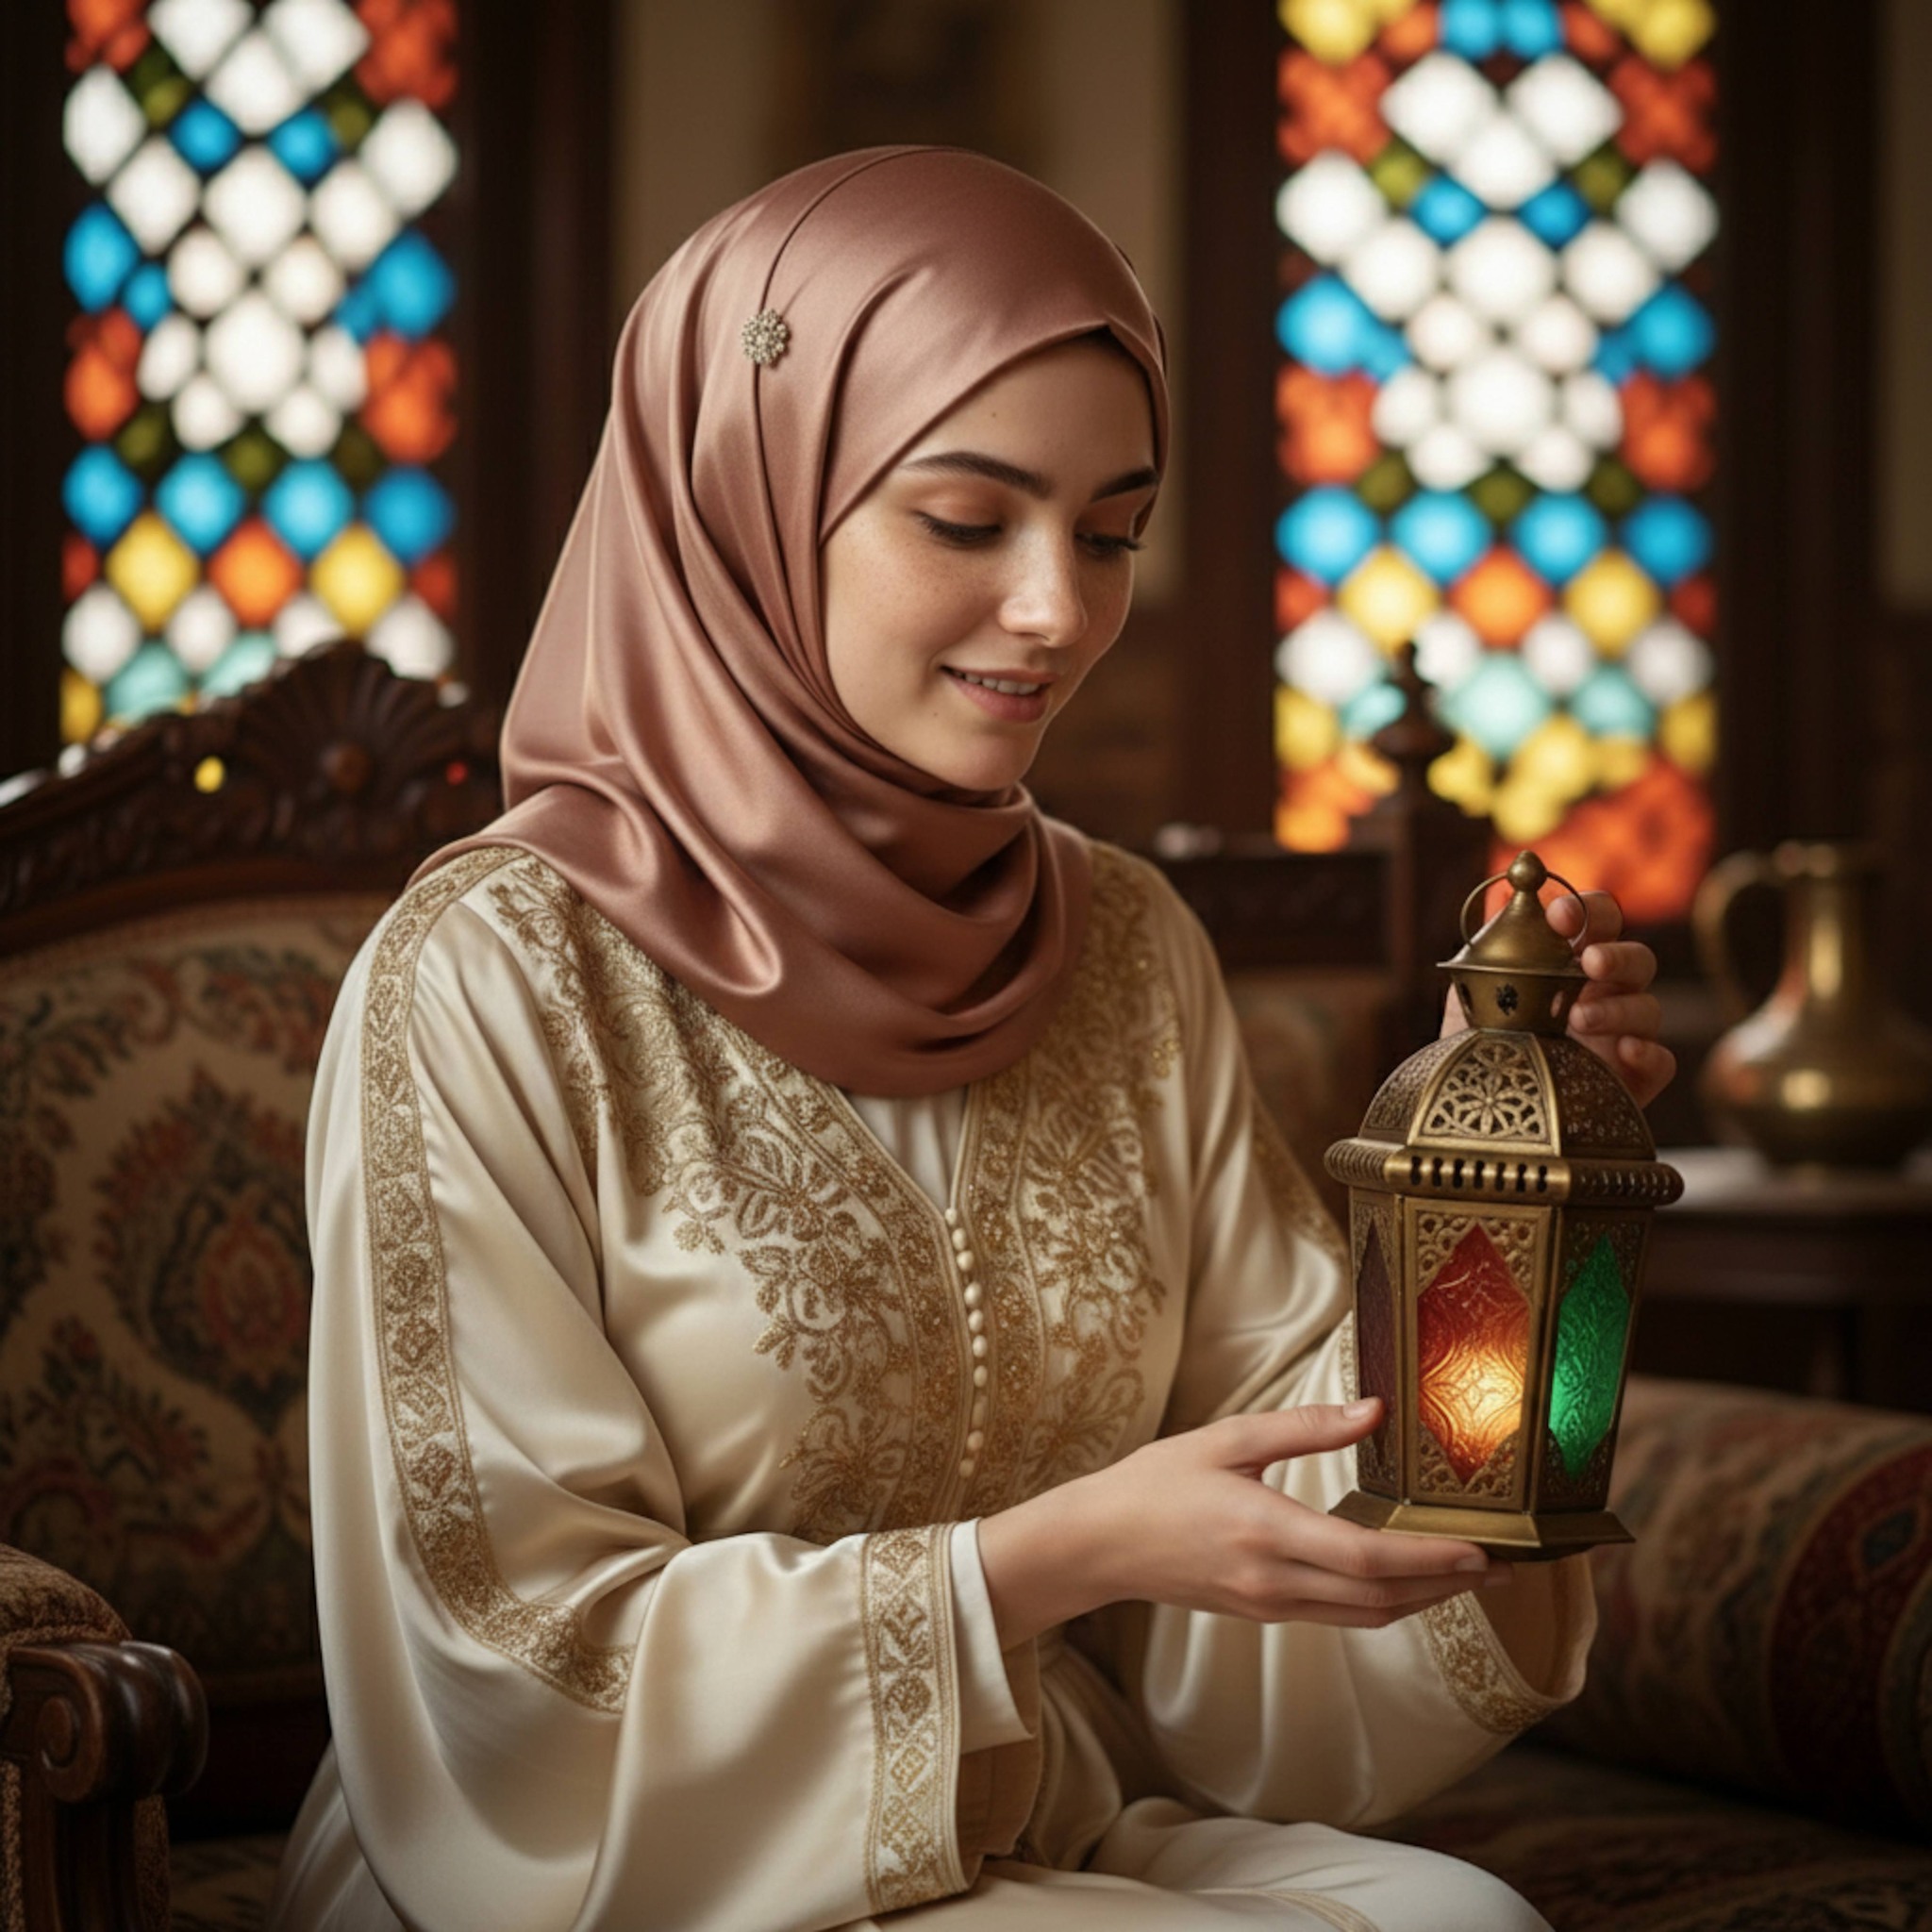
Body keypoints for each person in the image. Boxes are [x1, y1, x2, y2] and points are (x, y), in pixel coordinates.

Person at [268, 147, 1674, 1932]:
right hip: (619, 1872)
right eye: (964, 519)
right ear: (744, 498)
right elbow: (506, 1657)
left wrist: (1531, 1226)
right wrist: (1049, 1560)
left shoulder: (1130, 952)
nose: (1059, 612)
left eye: (1110, 534)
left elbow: (1299, 1462)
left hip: (1028, 1817)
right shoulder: (494, 980)